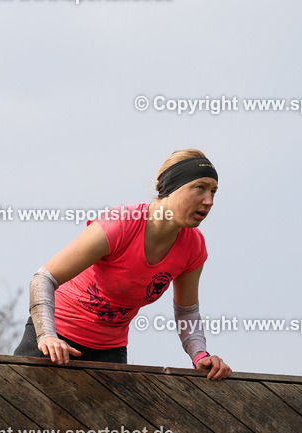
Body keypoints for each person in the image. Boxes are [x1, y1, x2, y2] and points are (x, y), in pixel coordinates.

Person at [13, 149, 231, 380]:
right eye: (200, 188)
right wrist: (47, 335)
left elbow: (187, 312)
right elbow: (44, 278)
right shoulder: (121, 224)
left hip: (108, 351)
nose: (209, 201)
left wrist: (200, 355)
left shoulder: (194, 247)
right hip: (54, 341)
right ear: (170, 187)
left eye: (213, 192)